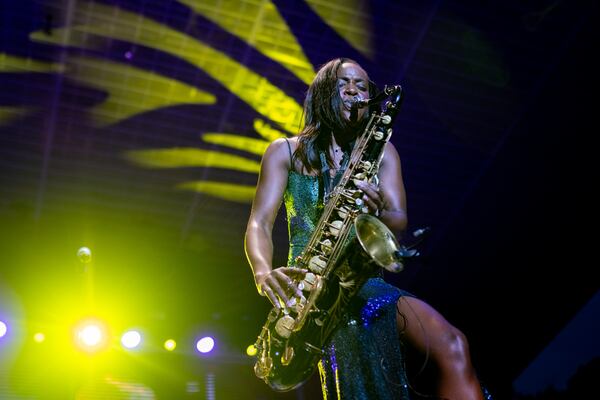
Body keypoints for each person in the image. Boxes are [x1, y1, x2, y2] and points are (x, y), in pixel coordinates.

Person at [245, 57, 486, 399]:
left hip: (364, 279)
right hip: (314, 290)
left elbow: (398, 220)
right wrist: (262, 273)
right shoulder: (285, 151)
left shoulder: (383, 152)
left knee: (453, 342)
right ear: (322, 94)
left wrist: (377, 211)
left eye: (362, 86)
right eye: (344, 84)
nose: (354, 91)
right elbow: (259, 221)